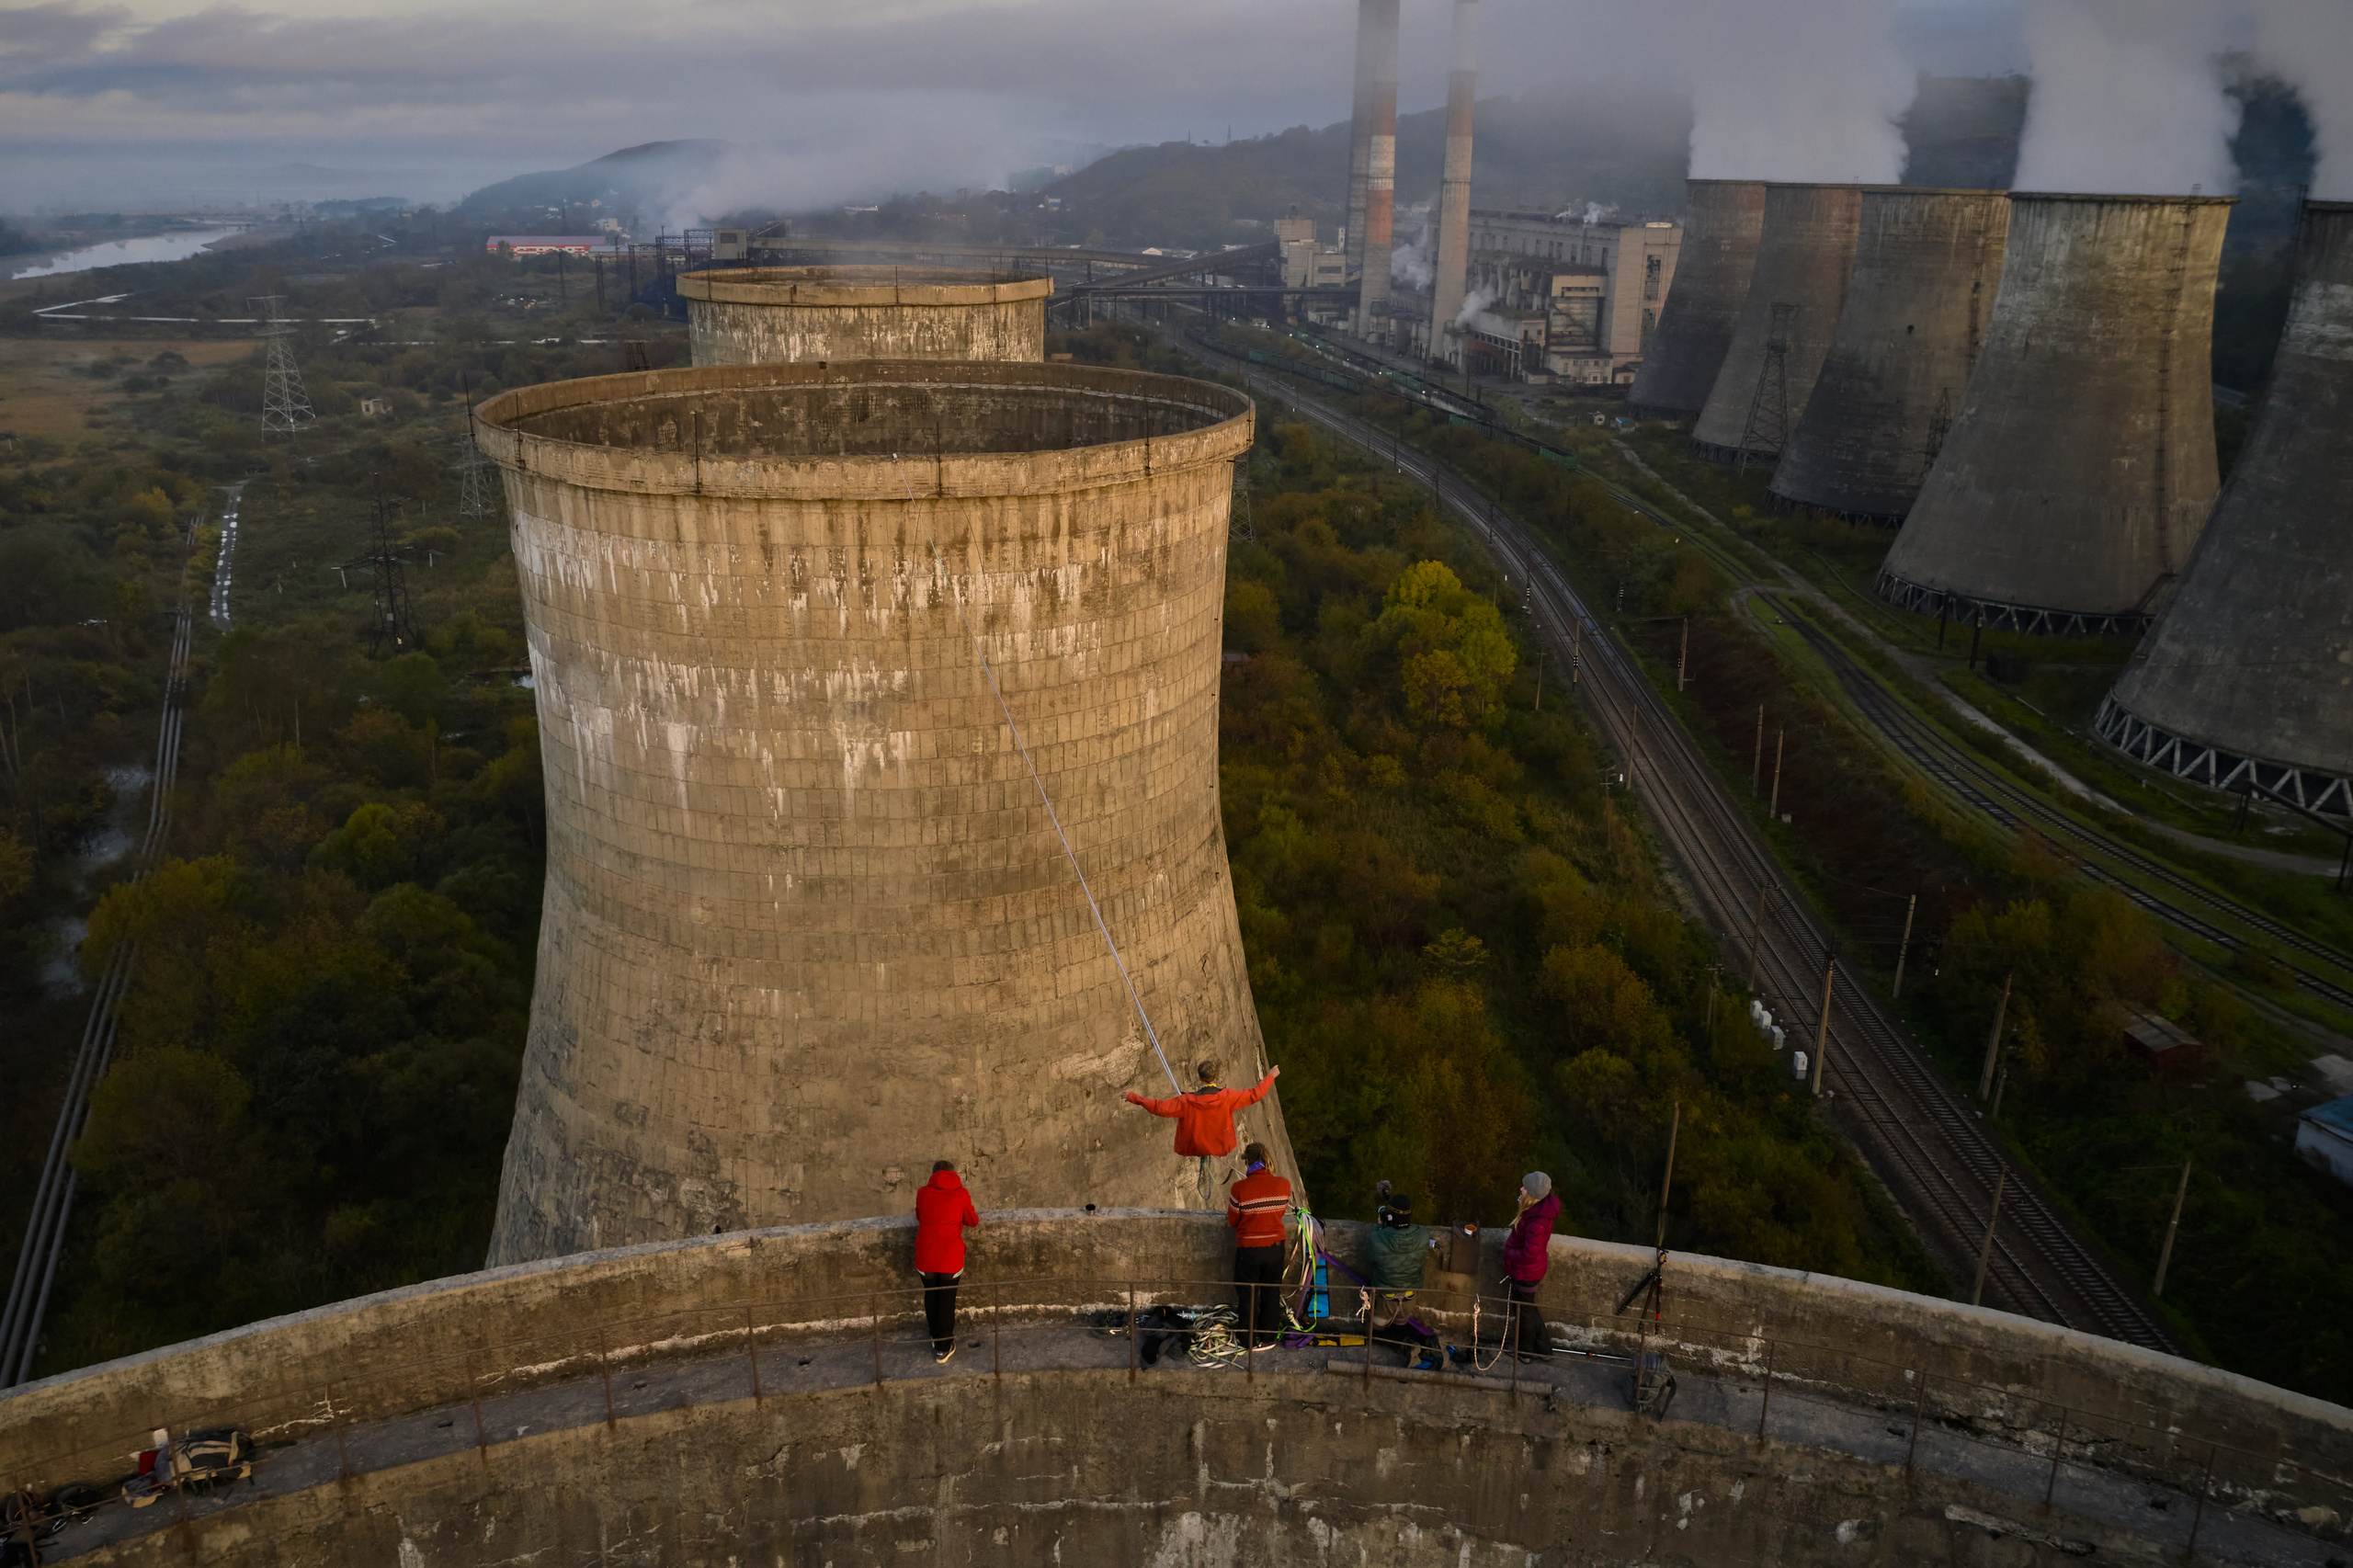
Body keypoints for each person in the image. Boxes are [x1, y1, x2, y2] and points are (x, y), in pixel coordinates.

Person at [1125, 1058, 1281, 1207]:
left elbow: (1159, 1108)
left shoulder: (1186, 1101)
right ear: (1217, 1076)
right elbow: (1255, 1094)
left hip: (1195, 1146)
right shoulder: (1227, 1097)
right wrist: (1271, 1075)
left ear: (1199, 1078)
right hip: (1221, 1146)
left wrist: (1135, 1097)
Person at [1365, 1181, 1439, 1362]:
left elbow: (1370, 1256)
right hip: (1409, 1299)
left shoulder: (1378, 1238)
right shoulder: (1422, 1235)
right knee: (1399, 1327)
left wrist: (1380, 1226)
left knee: (1373, 1334)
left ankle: (1407, 1347)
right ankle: (1426, 1341)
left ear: (1390, 1217)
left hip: (1386, 1301)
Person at [914, 1159, 980, 1363]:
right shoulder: (960, 1194)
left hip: (925, 1256)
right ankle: (943, 1347)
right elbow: (972, 1221)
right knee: (946, 1300)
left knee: (931, 1296)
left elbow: (919, 1216)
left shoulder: (922, 1193)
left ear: (933, 1174)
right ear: (953, 1174)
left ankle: (936, 1338)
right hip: (950, 1257)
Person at [1226, 1142, 1291, 1346]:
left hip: (1250, 1251)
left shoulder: (1239, 1188)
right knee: (1271, 1292)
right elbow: (1280, 1213)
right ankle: (1268, 1337)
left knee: (1248, 1295)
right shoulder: (1284, 1185)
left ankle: (1247, 1339)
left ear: (1248, 1161)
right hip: (1275, 1248)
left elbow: (1233, 1221)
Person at [1502, 1171, 1559, 1361]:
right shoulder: (1540, 1210)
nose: (1521, 1189)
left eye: (1525, 1187)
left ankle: (1524, 1353)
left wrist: (1509, 1253)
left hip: (1526, 1273)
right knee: (1528, 1309)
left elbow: (1529, 1254)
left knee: (1524, 1313)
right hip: (1532, 1270)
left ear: (1533, 1194)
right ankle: (1544, 1351)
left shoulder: (1537, 1222)